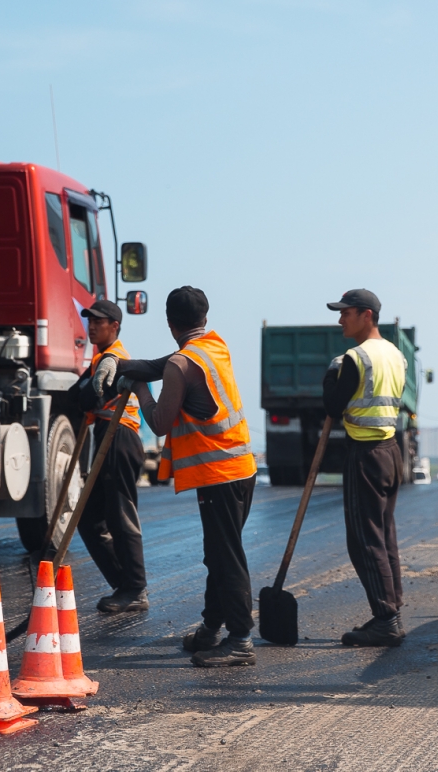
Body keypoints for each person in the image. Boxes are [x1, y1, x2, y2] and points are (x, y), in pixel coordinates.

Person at [94, 286, 258, 667]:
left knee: (226, 557)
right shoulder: (214, 346)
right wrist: (117, 365)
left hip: (217, 474)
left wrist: (138, 390)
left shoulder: (180, 364)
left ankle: (240, 640)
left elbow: (159, 422)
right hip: (240, 470)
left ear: (169, 322)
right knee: (217, 555)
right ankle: (210, 629)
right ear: (205, 318)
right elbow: (158, 364)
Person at [322, 289, 407, 647]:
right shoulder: (396, 355)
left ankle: (386, 619)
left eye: (346, 313)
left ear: (366, 315)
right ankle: (390, 611)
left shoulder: (356, 359)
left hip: (365, 453)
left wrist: (331, 374)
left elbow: (332, 405)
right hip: (390, 450)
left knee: (364, 539)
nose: (341, 319)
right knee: (384, 536)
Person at [71, 299, 149, 613]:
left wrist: (85, 392)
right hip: (107, 435)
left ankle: (134, 588)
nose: (91, 326)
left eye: (98, 322)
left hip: (120, 438)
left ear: (114, 326)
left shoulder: (116, 359)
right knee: (90, 520)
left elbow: (88, 396)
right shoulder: (99, 359)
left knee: (120, 517)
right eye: (89, 321)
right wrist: (84, 392)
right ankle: (125, 585)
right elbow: (75, 397)